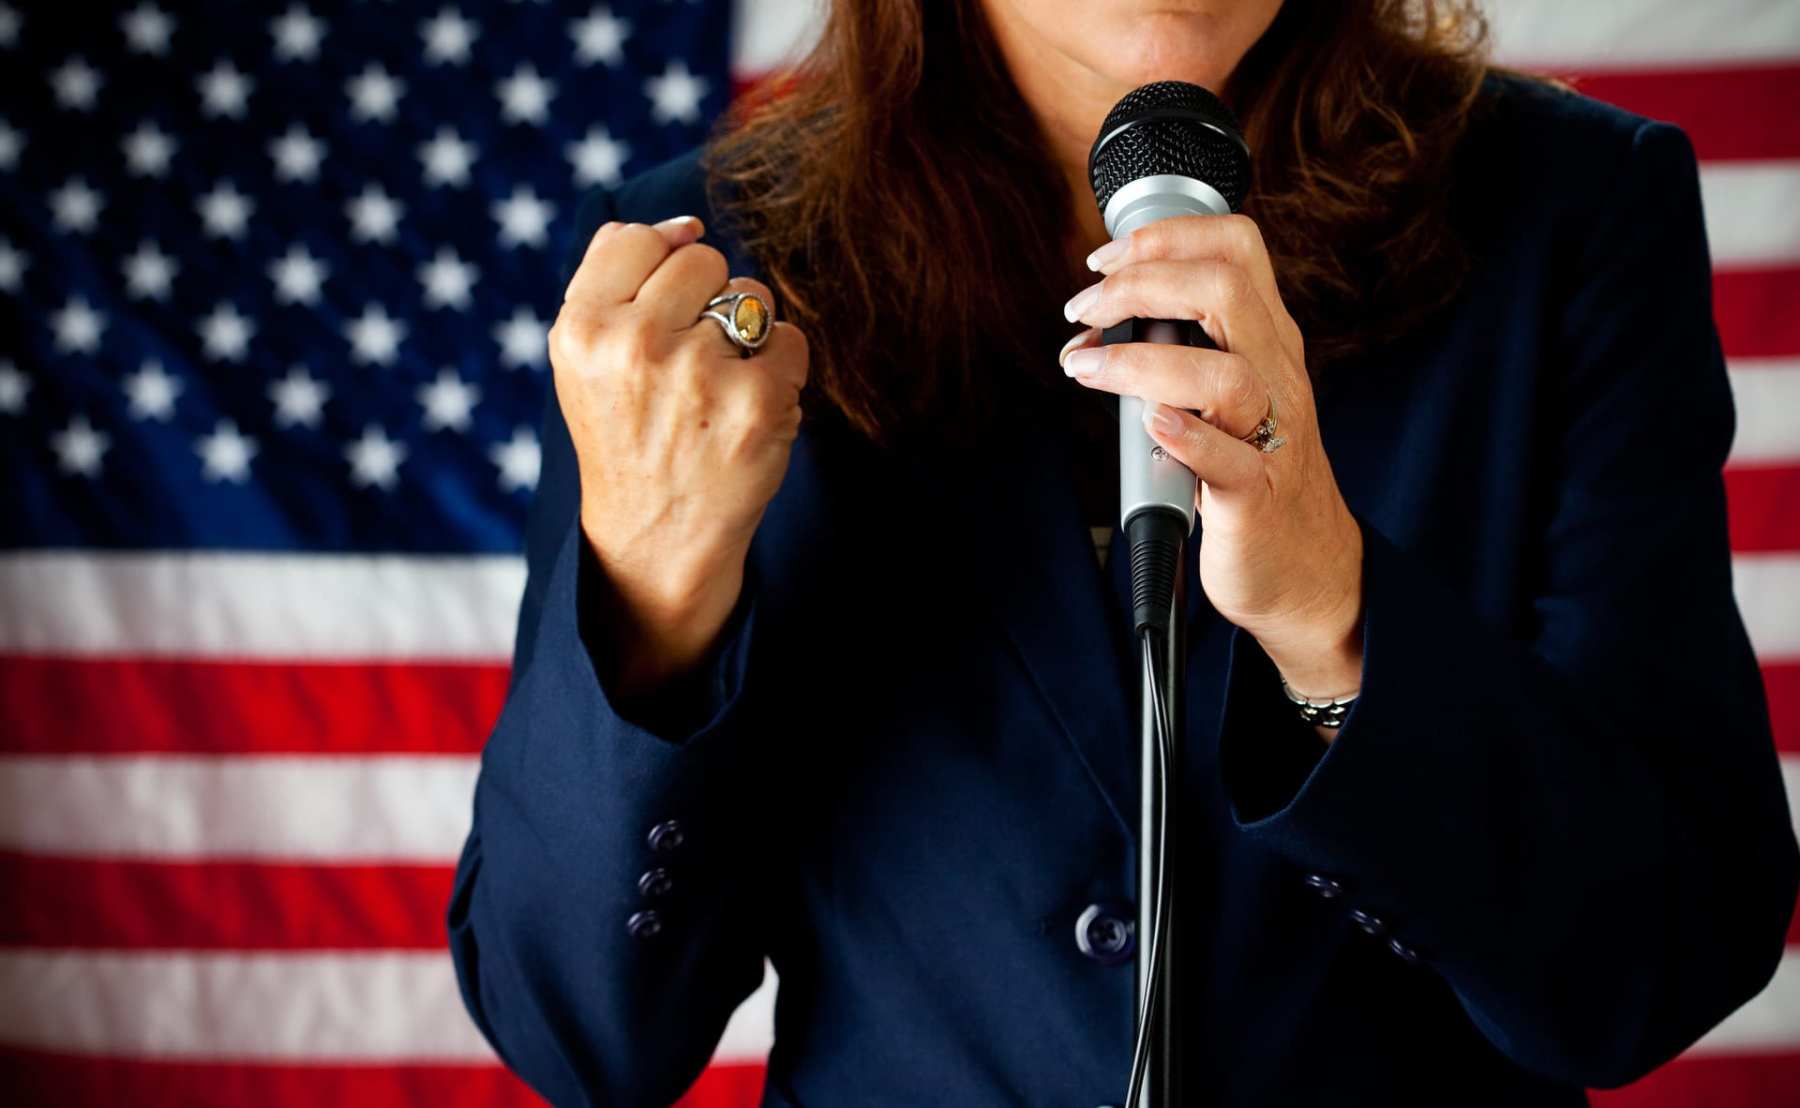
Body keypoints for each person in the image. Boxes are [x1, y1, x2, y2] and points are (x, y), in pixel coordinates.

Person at [447, 1, 1800, 1104]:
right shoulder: (702, 278)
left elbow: (1654, 970)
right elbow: (577, 1039)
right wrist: (654, 592)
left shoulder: (1572, 213)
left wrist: (1333, 611)